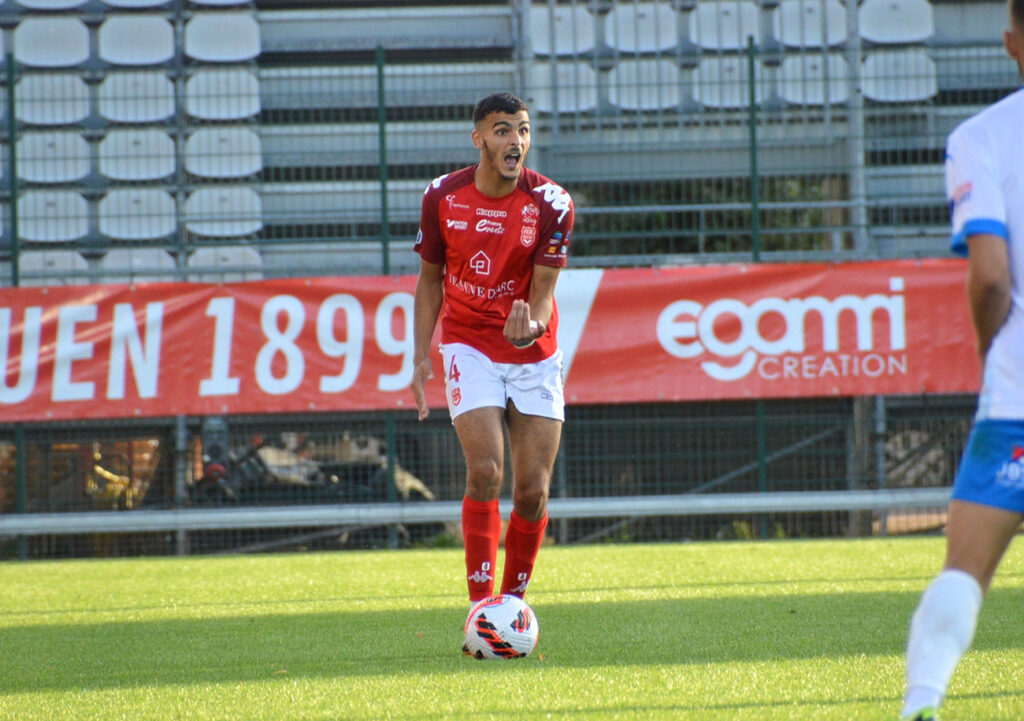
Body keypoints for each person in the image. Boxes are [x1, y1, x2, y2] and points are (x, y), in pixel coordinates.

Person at [899, 3, 1024, 719]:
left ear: (1009, 43)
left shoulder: (981, 137)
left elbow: (990, 278)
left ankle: (922, 702)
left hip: (1015, 402)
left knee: (964, 573)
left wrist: (990, 351)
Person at [409, 93, 574, 620]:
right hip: (468, 342)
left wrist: (536, 325)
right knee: (485, 471)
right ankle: (483, 612)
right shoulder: (442, 197)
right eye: (503, 131)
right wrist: (420, 356)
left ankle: (513, 606)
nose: (516, 142)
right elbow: (429, 281)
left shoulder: (553, 203)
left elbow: (545, 290)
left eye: (522, 131)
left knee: (533, 491)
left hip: (532, 351)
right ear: (478, 138)